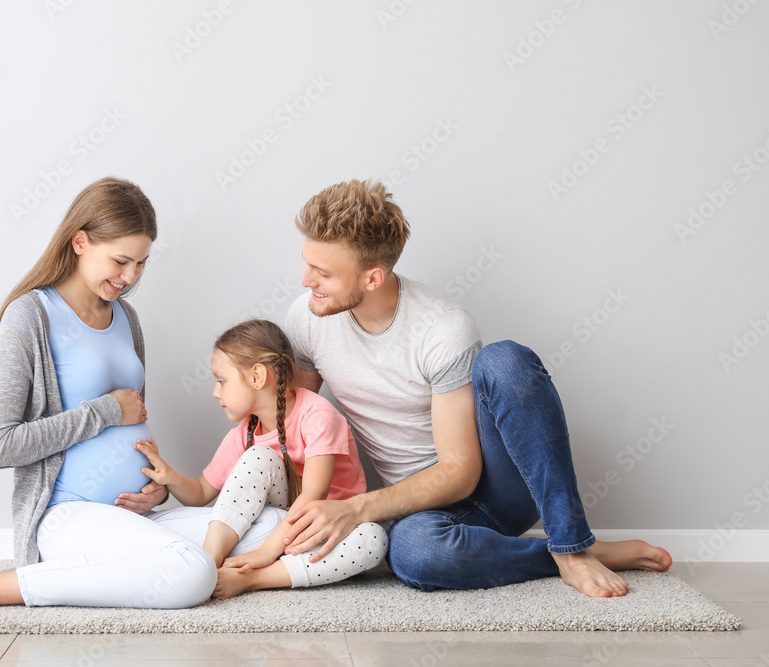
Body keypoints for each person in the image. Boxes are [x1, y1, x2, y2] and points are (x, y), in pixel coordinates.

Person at [280, 179, 673, 598]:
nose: (306, 281)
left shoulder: (442, 327)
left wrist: (356, 509)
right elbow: (296, 425)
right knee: (415, 555)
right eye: (307, 264)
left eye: (322, 273)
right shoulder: (308, 318)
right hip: (416, 512)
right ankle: (562, 554)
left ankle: (572, 545)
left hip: (496, 487)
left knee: (505, 360)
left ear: (373, 277)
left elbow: (459, 473)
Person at [0, 177, 222, 623]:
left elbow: (135, 419)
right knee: (193, 572)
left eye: (141, 264)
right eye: (121, 261)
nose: (130, 278)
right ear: (80, 241)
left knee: (271, 525)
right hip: (68, 517)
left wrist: (156, 490)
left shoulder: (126, 317)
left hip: (130, 518)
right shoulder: (30, 315)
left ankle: (127, 562)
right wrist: (103, 413)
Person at [134, 319, 386, 600]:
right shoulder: (245, 433)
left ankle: (254, 579)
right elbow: (202, 492)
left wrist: (266, 553)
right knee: (259, 456)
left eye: (221, 381)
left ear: (257, 376)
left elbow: (314, 495)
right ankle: (207, 562)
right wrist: (169, 477)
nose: (215, 392)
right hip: (277, 524)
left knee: (374, 538)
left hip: (324, 528)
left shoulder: (318, 416)